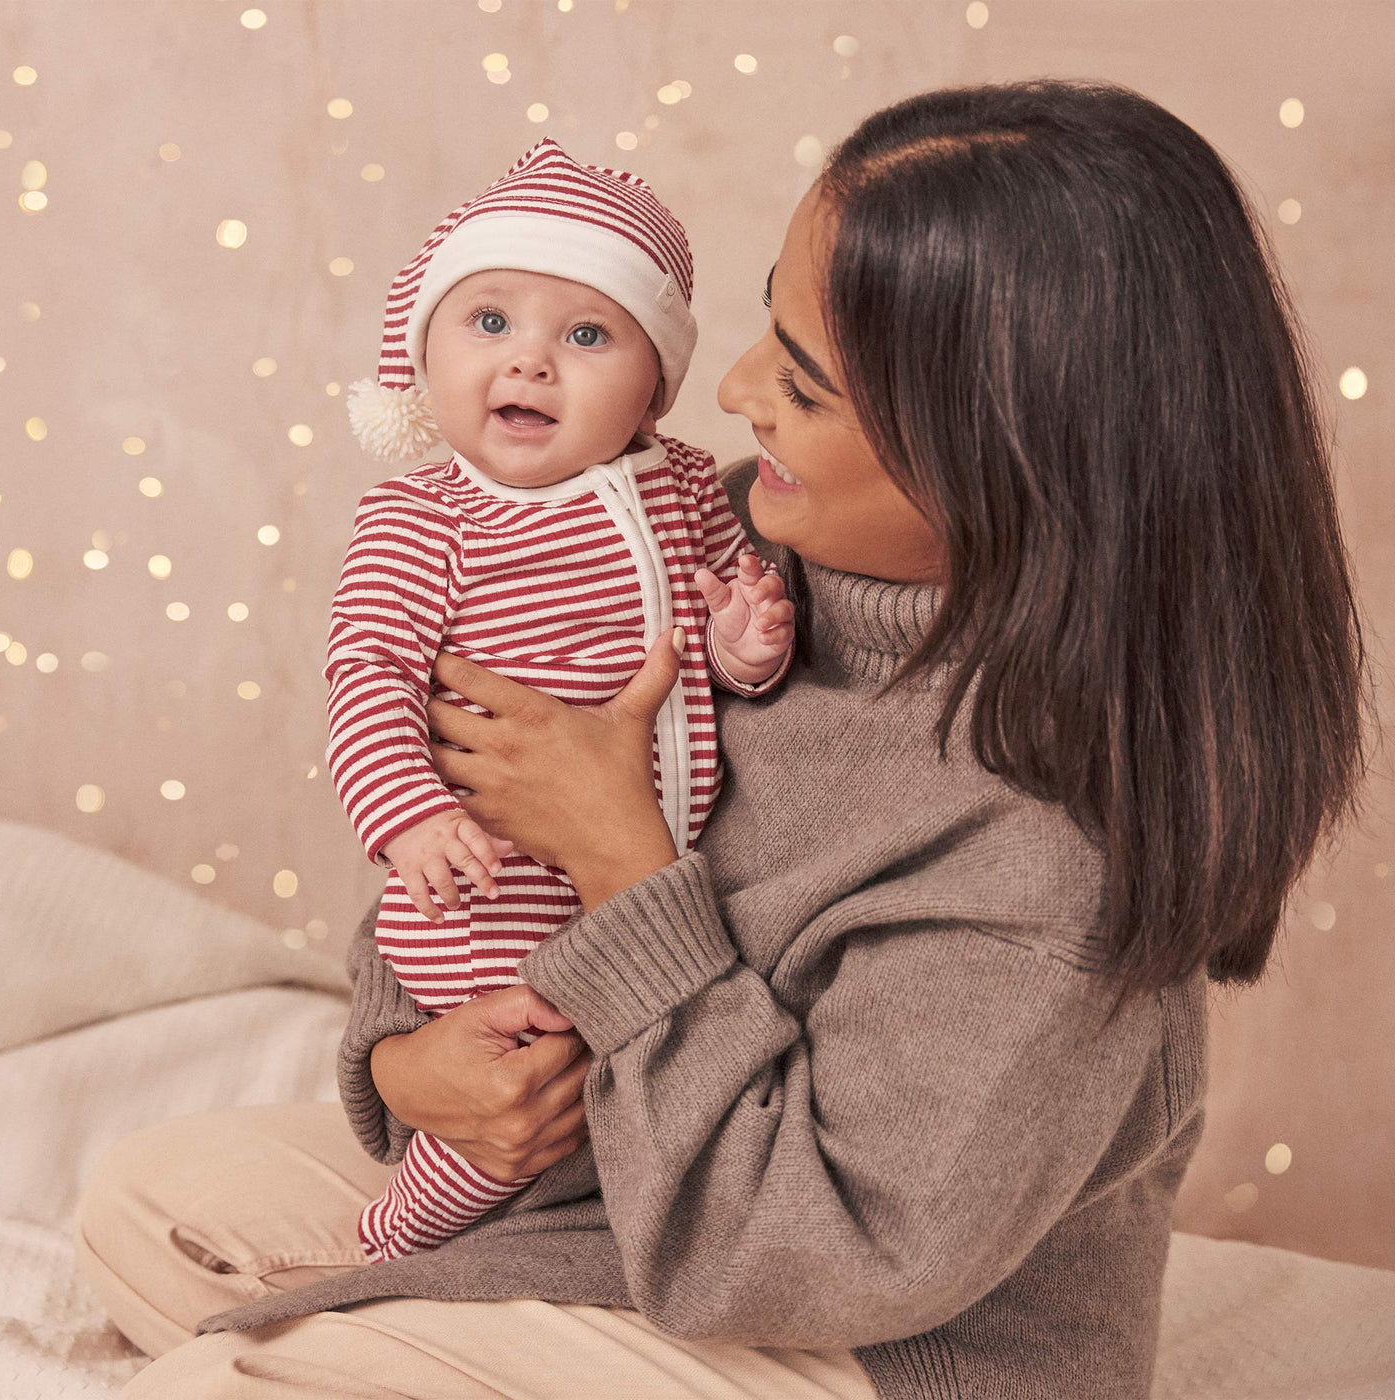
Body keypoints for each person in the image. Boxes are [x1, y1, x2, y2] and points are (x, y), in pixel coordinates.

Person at [75, 79, 1369, 1399]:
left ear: (1002, 458)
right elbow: (460, 847)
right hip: (616, 1185)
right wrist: (414, 1064)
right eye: (768, 325)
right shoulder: (716, 545)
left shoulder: (1046, 838)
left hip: (854, 1334)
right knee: (147, 1202)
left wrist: (623, 856)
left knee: (225, 1380)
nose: (737, 389)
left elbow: (788, 1258)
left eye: (804, 385)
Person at [325, 138, 794, 1260]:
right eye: (488, 322)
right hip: (491, 884)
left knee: (606, 1068)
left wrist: (743, 645)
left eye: (586, 335)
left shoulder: (682, 483)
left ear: (652, 386)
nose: (529, 364)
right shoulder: (422, 519)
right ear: (423, 352)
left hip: (653, 870)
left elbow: (723, 646)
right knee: (522, 1064)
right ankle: (409, 1228)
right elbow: (368, 680)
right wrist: (412, 816)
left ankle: (572, 1229)